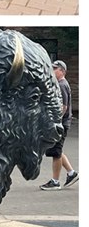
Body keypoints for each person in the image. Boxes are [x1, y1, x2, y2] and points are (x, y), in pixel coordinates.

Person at [40, 60, 78, 190]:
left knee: (55, 152)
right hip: (62, 123)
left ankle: (55, 182)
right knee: (57, 150)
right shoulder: (61, 84)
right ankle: (71, 173)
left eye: (55, 68)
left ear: (62, 71)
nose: (52, 71)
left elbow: (63, 107)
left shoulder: (61, 85)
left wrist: (55, 122)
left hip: (60, 124)